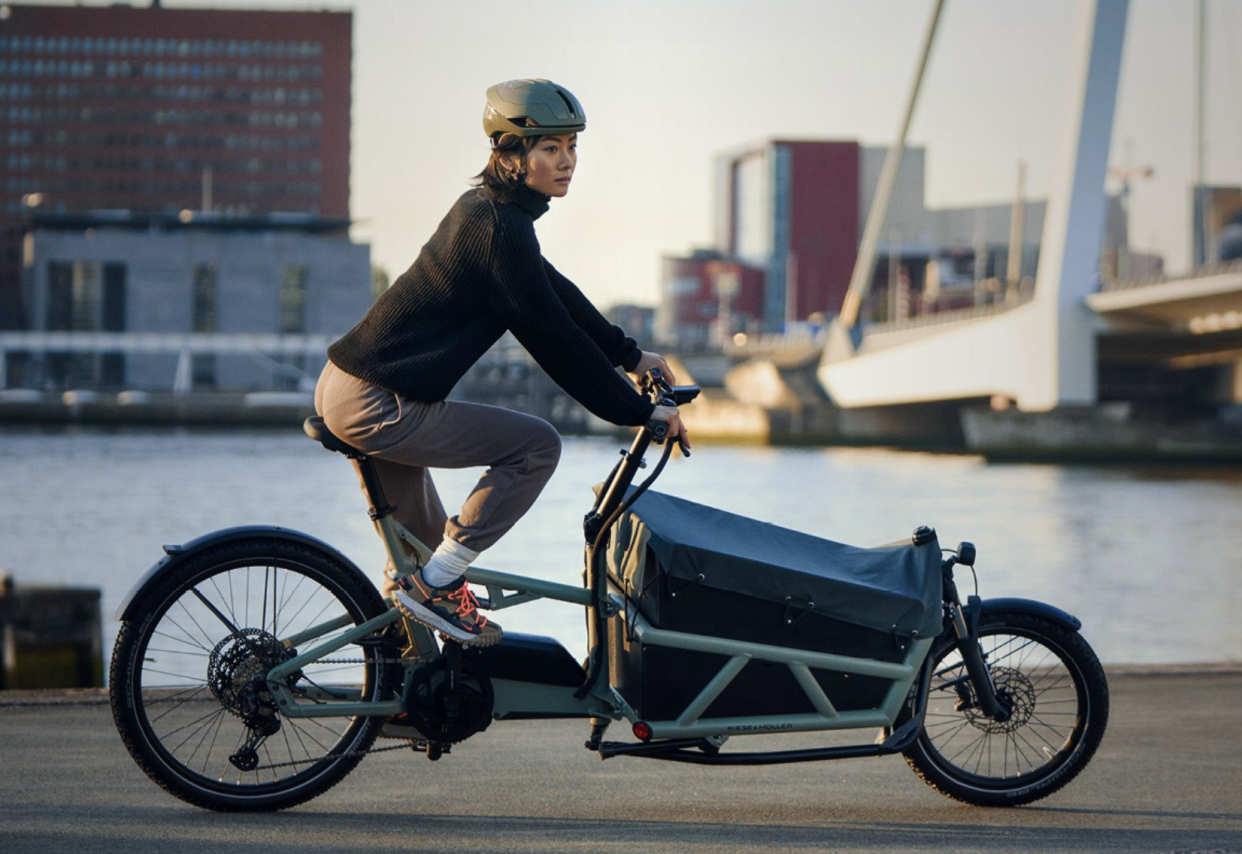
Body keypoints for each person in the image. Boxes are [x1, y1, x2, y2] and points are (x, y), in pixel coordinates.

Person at [314, 78, 689, 648]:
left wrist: (630, 354)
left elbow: (553, 292)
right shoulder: (497, 228)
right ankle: (438, 587)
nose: (567, 162)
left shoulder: (492, 214)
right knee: (536, 446)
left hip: (356, 386)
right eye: (550, 149)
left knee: (421, 553)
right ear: (510, 154)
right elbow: (552, 337)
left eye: (571, 146)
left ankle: (400, 692)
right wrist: (639, 413)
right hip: (379, 402)